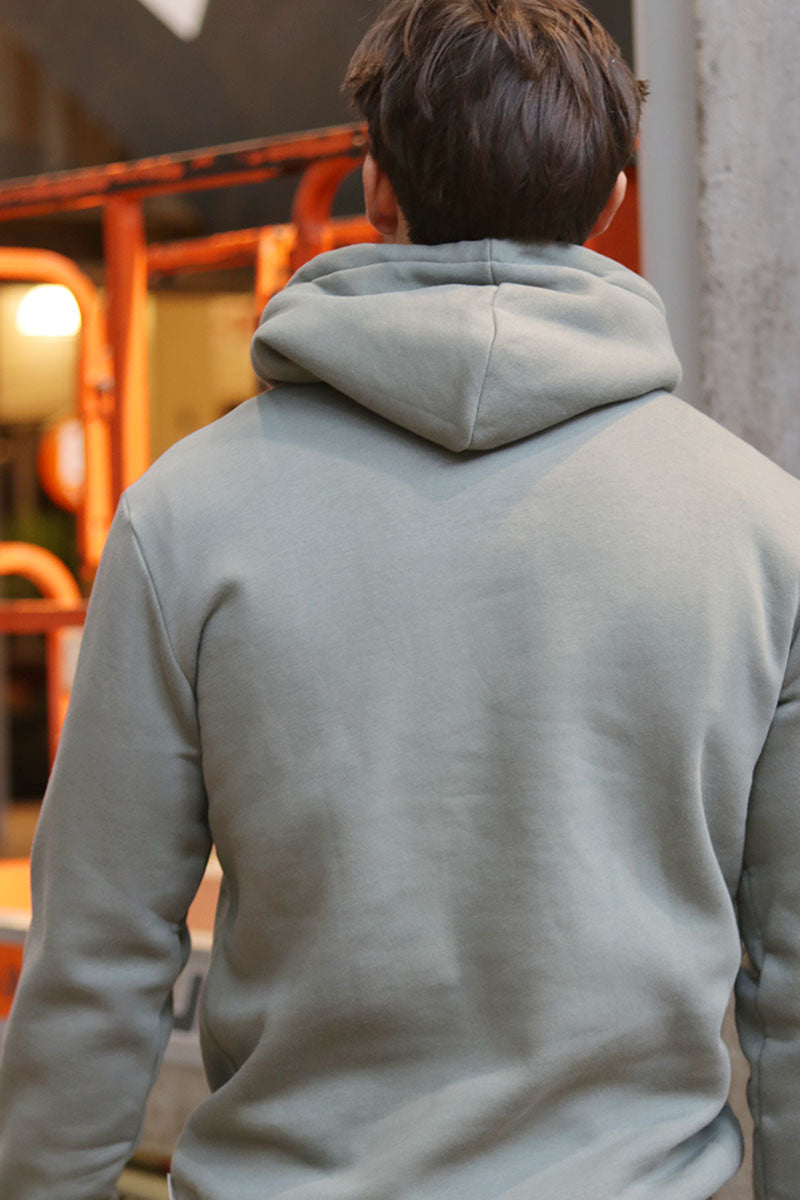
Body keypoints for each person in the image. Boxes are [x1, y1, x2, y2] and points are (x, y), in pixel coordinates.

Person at [0, 1, 797, 1196]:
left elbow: (96, 959)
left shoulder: (185, 516)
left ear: (374, 187)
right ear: (609, 203)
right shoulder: (763, 532)